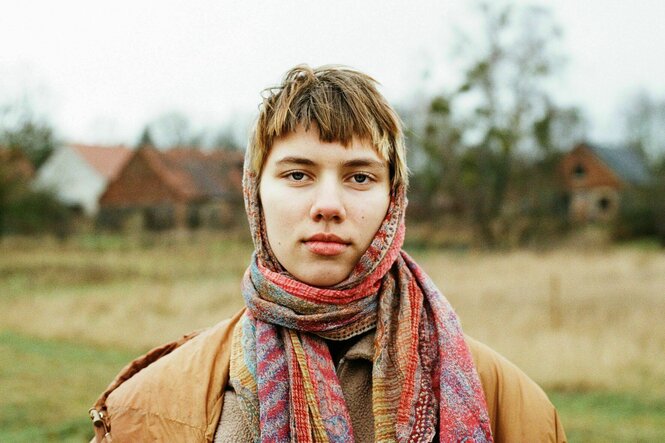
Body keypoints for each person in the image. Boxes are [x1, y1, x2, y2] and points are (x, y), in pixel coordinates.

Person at [89, 65, 567, 442]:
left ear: (393, 199)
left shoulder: (514, 408)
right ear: (255, 195)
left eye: (360, 177)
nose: (328, 206)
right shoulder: (147, 409)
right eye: (298, 175)